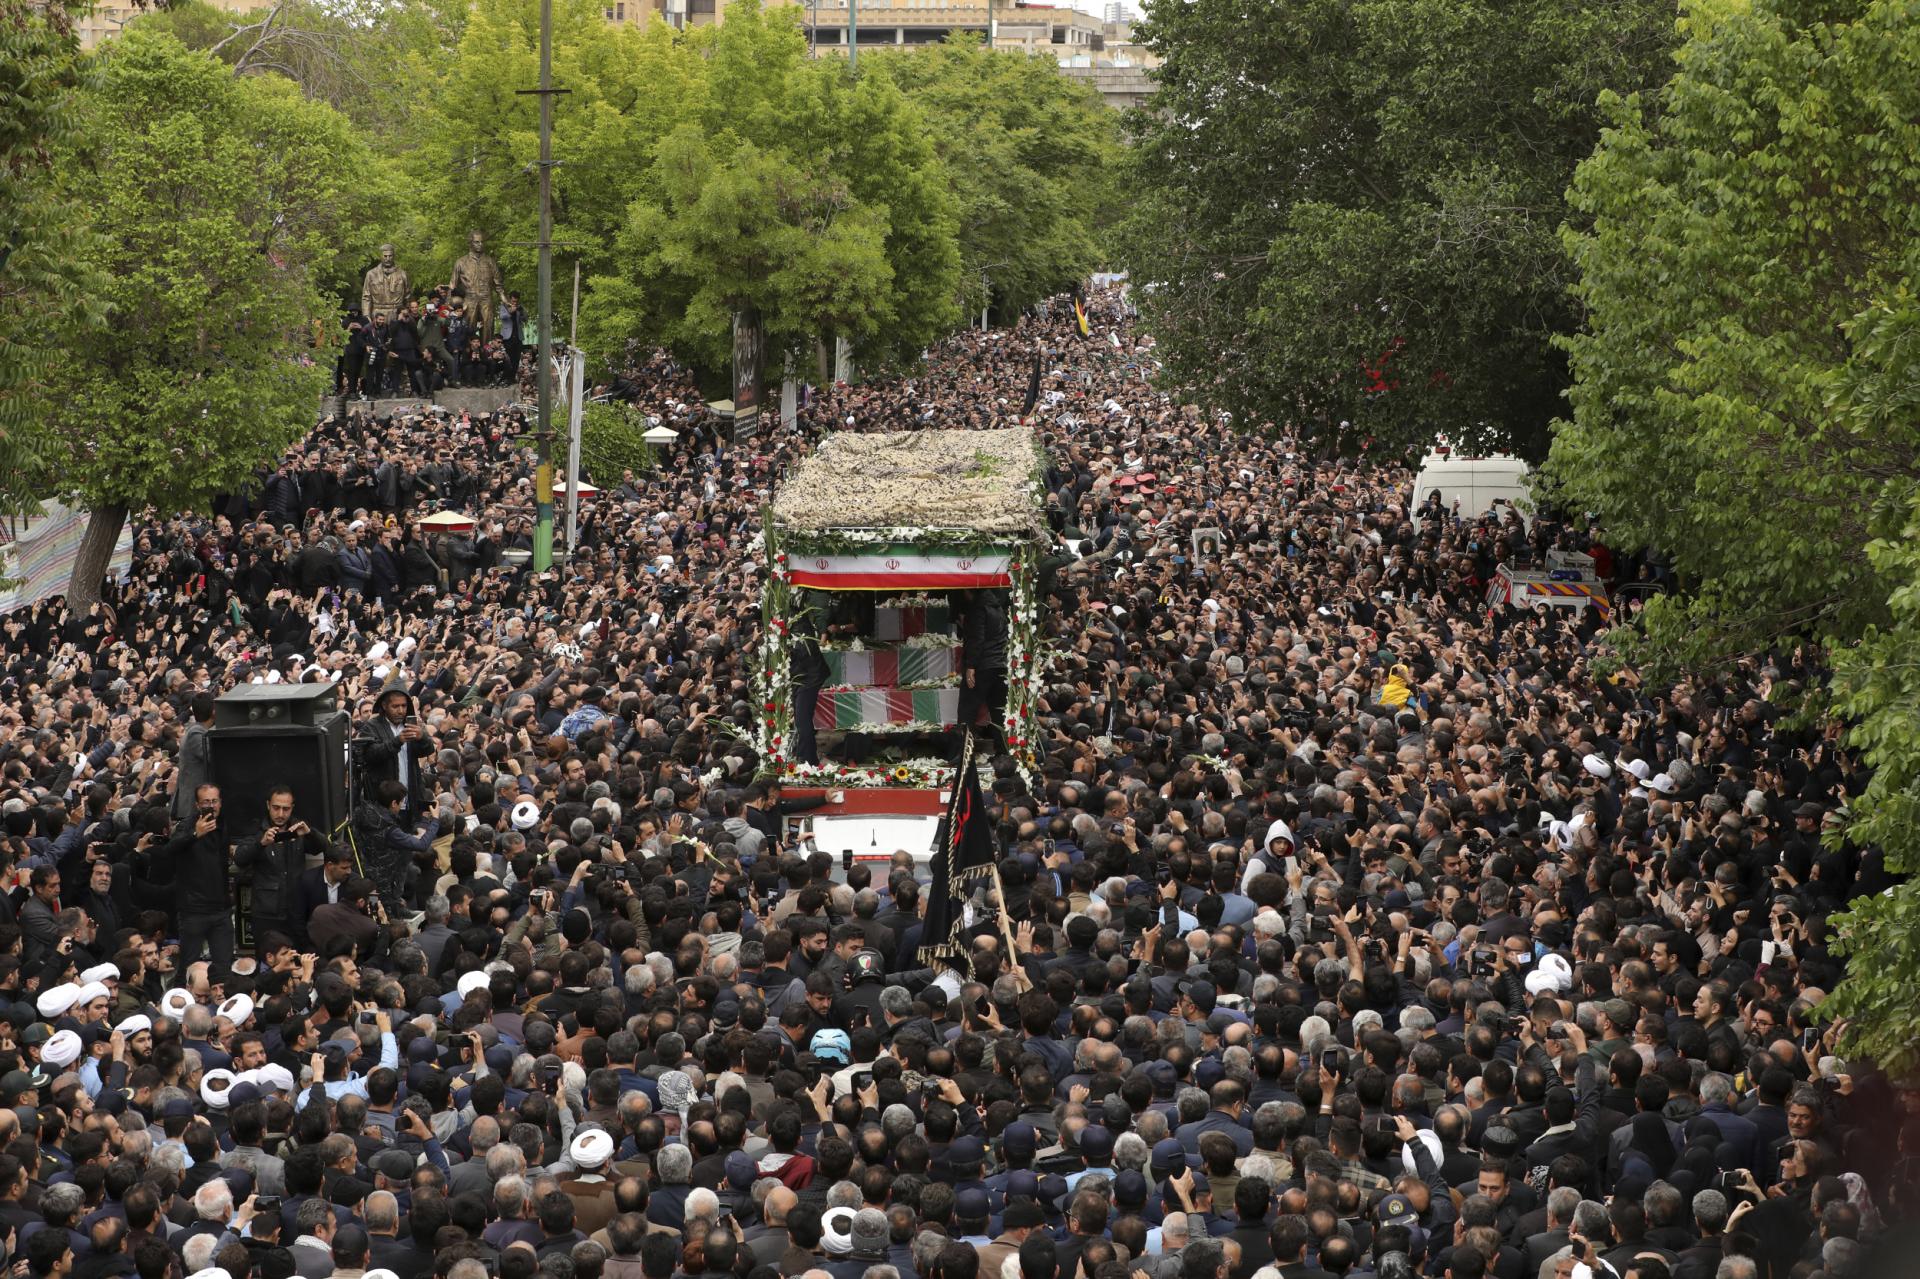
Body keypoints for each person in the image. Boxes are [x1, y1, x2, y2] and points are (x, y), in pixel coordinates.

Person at [234, 785, 330, 955]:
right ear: (268, 805)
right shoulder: (256, 829)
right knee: (267, 961)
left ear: (292, 808)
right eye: (276, 808)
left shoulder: (298, 828)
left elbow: (325, 848)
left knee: (298, 960)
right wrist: (261, 843)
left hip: (296, 910)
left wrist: (310, 833)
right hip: (267, 912)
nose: (280, 814)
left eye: (285, 809)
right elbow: (240, 858)